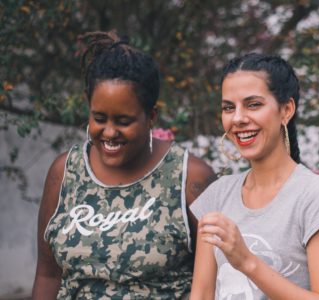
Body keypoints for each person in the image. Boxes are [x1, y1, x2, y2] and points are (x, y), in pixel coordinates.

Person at [32, 30, 216, 299]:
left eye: (123, 121)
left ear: (150, 116)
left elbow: (218, 280)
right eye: (99, 118)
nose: (108, 132)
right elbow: (48, 275)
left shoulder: (189, 178)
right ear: (88, 105)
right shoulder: (64, 173)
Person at [189, 53, 319, 300]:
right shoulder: (218, 196)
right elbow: (201, 294)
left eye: (253, 104)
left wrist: (247, 262)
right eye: (229, 107)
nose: (238, 118)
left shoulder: (315, 196)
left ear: (286, 110)